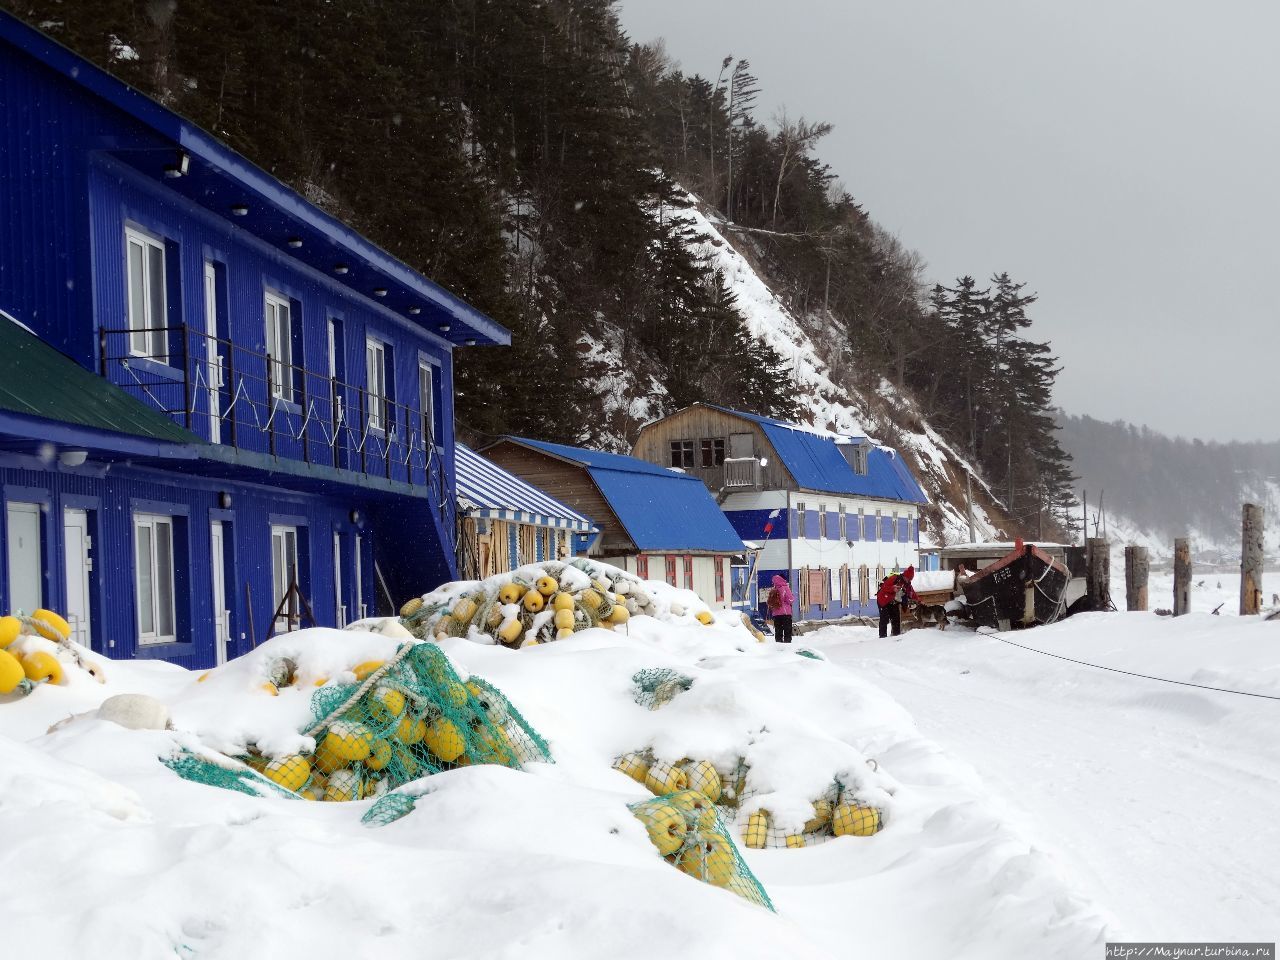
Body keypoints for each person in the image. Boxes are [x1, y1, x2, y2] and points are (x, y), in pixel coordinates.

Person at [876, 566, 918, 639]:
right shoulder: (894, 578)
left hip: (894, 602)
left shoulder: (907, 584)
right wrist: (893, 588)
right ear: (904, 576)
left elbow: (912, 593)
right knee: (884, 619)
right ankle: (882, 638)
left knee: (896, 619)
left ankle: (896, 637)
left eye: (910, 579)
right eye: (908, 578)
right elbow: (883, 587)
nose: (908, 580)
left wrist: (919, 600)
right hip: (883, 600)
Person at [766, 574, 794, 644]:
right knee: (787, 631)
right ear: (783, 579)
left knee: (778, 631)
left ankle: (778, 646)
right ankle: (787, 646)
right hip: (785, 613)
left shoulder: (774, 589)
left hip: (776, 614)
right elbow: (791, 600)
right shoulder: (785, 588)